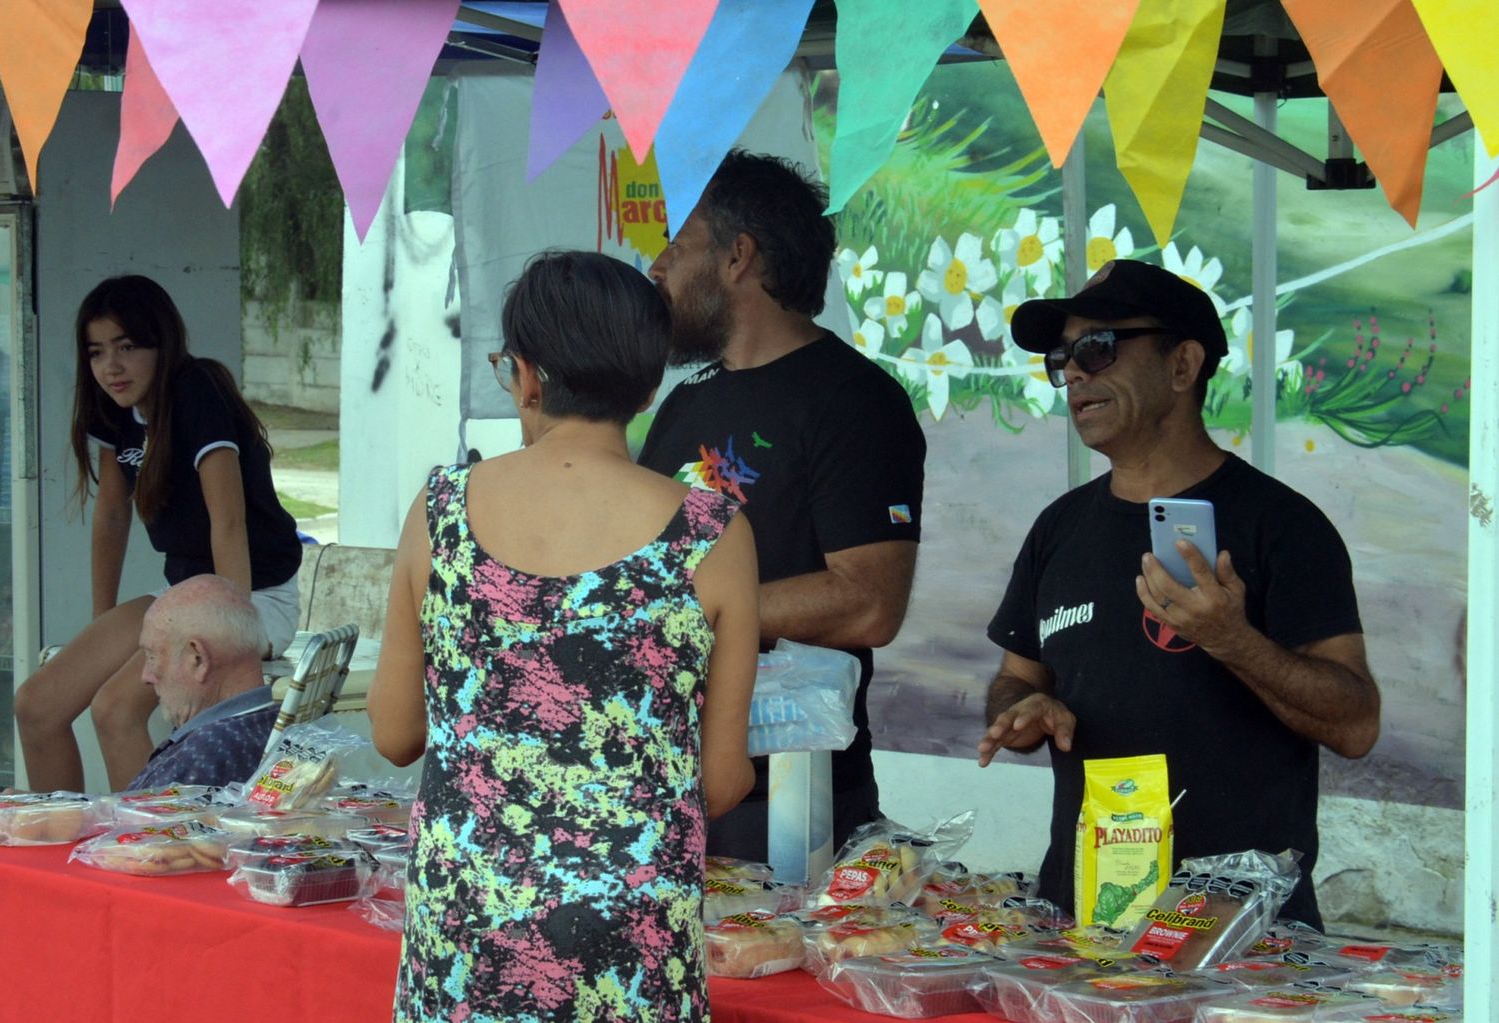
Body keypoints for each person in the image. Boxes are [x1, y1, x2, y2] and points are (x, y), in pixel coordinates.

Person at [368, 251, 759, 1023]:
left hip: (466, 937)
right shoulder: (713, 533)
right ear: (650, 387)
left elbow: (394, 731)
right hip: (634, 950)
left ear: (527, 375)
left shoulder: (442, 511)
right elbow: (721, 777)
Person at [977, 259, 1380, 929]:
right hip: (1086, 925)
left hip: (1242, 942)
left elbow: (1356, 721)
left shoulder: (1281, 525)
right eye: (1062, 358)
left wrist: (1234, 640)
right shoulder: (1058, 528)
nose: (1075, 373)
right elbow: (1015, 677)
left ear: (1183, 365)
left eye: (1098, 349)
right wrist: (1024, 709)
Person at [638, 150, 926, 860]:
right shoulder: (686, 401)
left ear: (738, 257)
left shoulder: (855, 401)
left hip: (791, 797)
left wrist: (703, 611)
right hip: (663, 779)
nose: (658, 268)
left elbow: (870, 603)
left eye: (678, 245)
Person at [15, 275, 302, 793]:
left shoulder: (198, 391)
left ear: (161, 342)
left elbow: (229, 521)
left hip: (252, 595)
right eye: (97, 351)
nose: (111, 367)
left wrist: (227, 628)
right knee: (38, 704)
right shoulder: (116, 407)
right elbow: (111, 516)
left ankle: (150, 854)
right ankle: (53, 850)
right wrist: (102, 626)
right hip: (182, 593)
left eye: (127, 347)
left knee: (116, 709)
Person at [127, 574, 278, 790]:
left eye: (152, 656)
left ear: (198, 659)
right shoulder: (283, 725)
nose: (146, 676)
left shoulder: (202, 755)